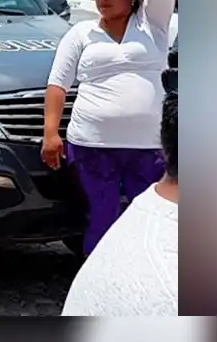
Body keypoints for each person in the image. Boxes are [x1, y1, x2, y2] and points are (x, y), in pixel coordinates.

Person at [42, 0, 174, 256]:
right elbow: (57, 84)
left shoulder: (152, 24)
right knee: (102, 217)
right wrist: (51, 133)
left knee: (148, 220)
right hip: (93, 145)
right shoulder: (81, 33)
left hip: (146, 147)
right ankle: (96, 290)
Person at [61, 65, 178, 316]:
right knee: (103, 212)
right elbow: (57, 82)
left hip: (140, 150)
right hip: (96, 147)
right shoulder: (170, 291)